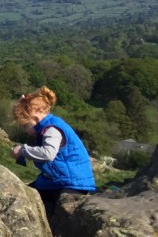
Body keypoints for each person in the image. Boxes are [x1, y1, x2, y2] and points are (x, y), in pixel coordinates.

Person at [11, 86, 96, 224]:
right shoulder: (48, 126)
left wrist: (23, 150)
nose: (25, 130)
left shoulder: (52, 129)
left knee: (53, 213)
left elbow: (48, 154)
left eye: (25, 125)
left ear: (35, 118)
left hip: (71, 183)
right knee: (26, 195)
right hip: (59, 179)